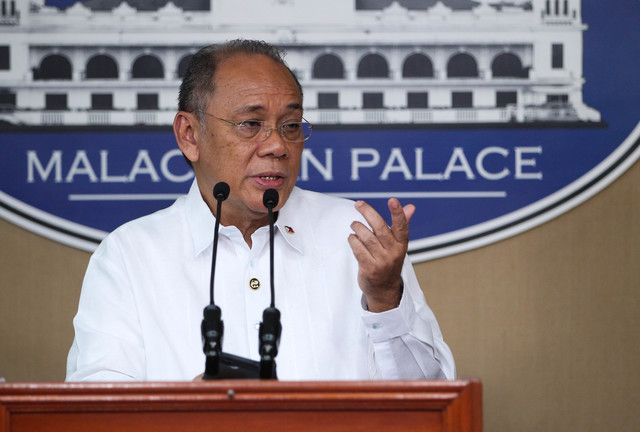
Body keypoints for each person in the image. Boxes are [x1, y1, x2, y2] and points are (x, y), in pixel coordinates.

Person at [66, 40, 455, 381]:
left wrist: (385, 299)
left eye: (290, 125)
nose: (277, 146)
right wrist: (186, 413)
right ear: (190, 135)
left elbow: (432, 402)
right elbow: (95, 411)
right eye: (251, 124)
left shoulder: (357, 239)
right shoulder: (130, 256)